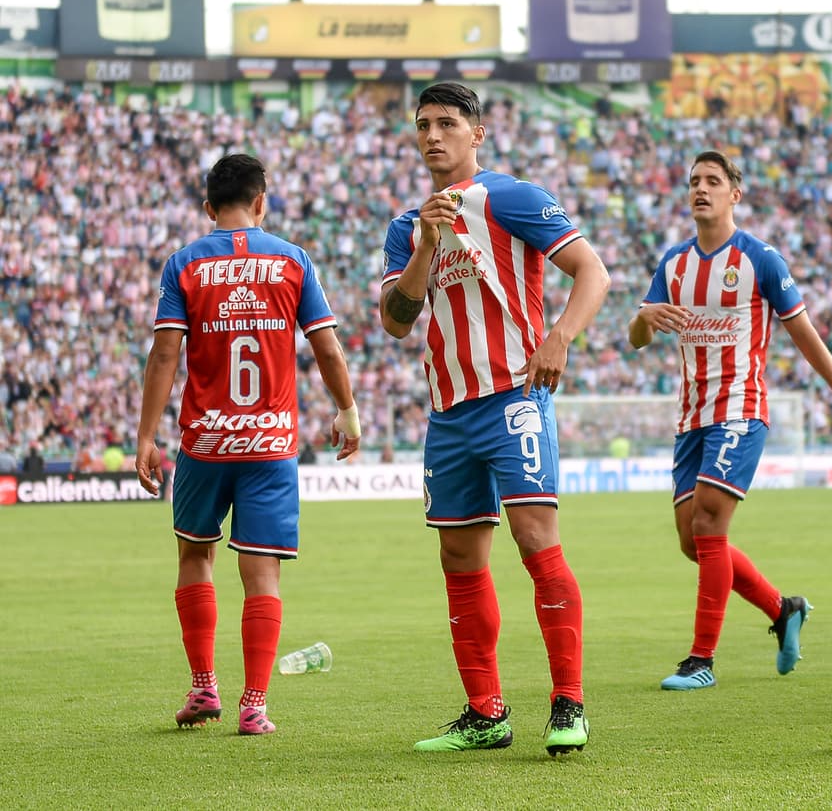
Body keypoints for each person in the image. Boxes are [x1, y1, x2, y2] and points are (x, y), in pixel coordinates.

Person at [379, 83, 610, 755]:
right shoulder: (406, 226)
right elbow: (396, 322)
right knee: (458, 554)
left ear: (476, 133)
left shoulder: (510, 197)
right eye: (422, 124)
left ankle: (569, 702)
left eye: (447, 122)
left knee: (536, 540)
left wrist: (561, 334)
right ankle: (486, 712)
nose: (432, 135)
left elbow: (591, 271)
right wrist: (425, 243)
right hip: (448, 412)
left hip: (514, 396)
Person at [628, 150, 832, 692]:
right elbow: (637, 338)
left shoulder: (761, 259)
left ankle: (701, 660)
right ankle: (784, 609)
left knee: (710, 524)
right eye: (694, 181)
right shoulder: (673, 264)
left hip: (741, 409)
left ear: (734, 194)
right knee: (692, 542)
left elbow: (804, 333)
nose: (701, 189)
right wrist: (644, 318)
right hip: (691, 417)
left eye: (713, 181)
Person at [135, 153, 362, 737]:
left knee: (195, 556)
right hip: (270, 444)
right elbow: (328, 350)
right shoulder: (292, 260)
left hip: (205, 444)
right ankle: (253, 704)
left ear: (208, 207)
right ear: (262, 201)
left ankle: (202, 687)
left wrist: (145, 436)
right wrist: (347, 411)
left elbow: (165, 355)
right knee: (261, 573)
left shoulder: (183, 265)